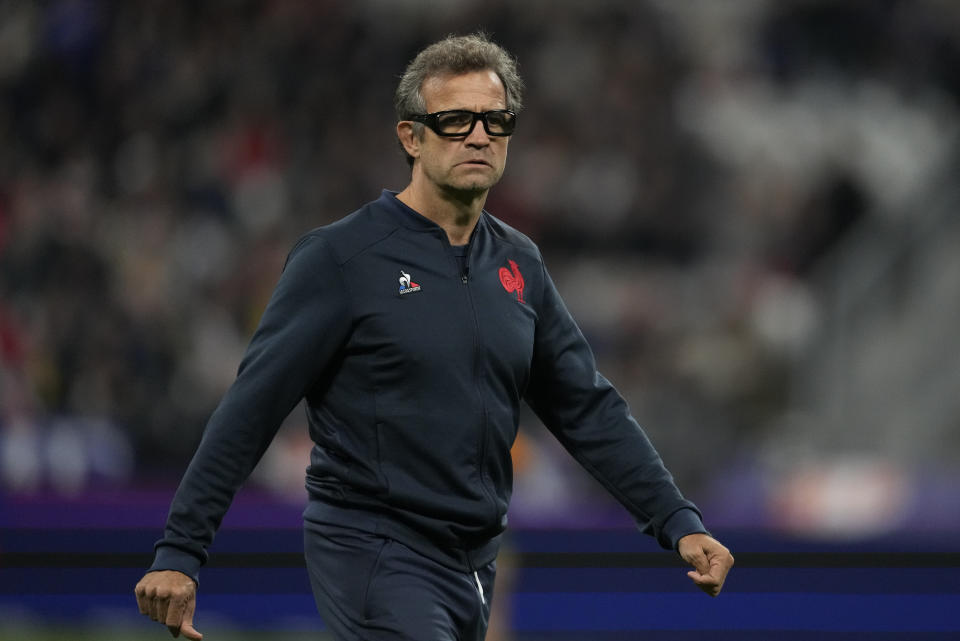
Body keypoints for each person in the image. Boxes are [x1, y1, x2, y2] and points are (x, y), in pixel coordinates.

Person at [134, 32, 734, 641]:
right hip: (372, 546)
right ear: (411, 137)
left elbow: (587, 408)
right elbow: (251, 407)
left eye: (495, 121)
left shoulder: (519, 265)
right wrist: (181, 549)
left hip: (474, 561)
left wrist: (678, 522)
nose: (479, 135)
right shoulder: (341, 259)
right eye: (455, 120)